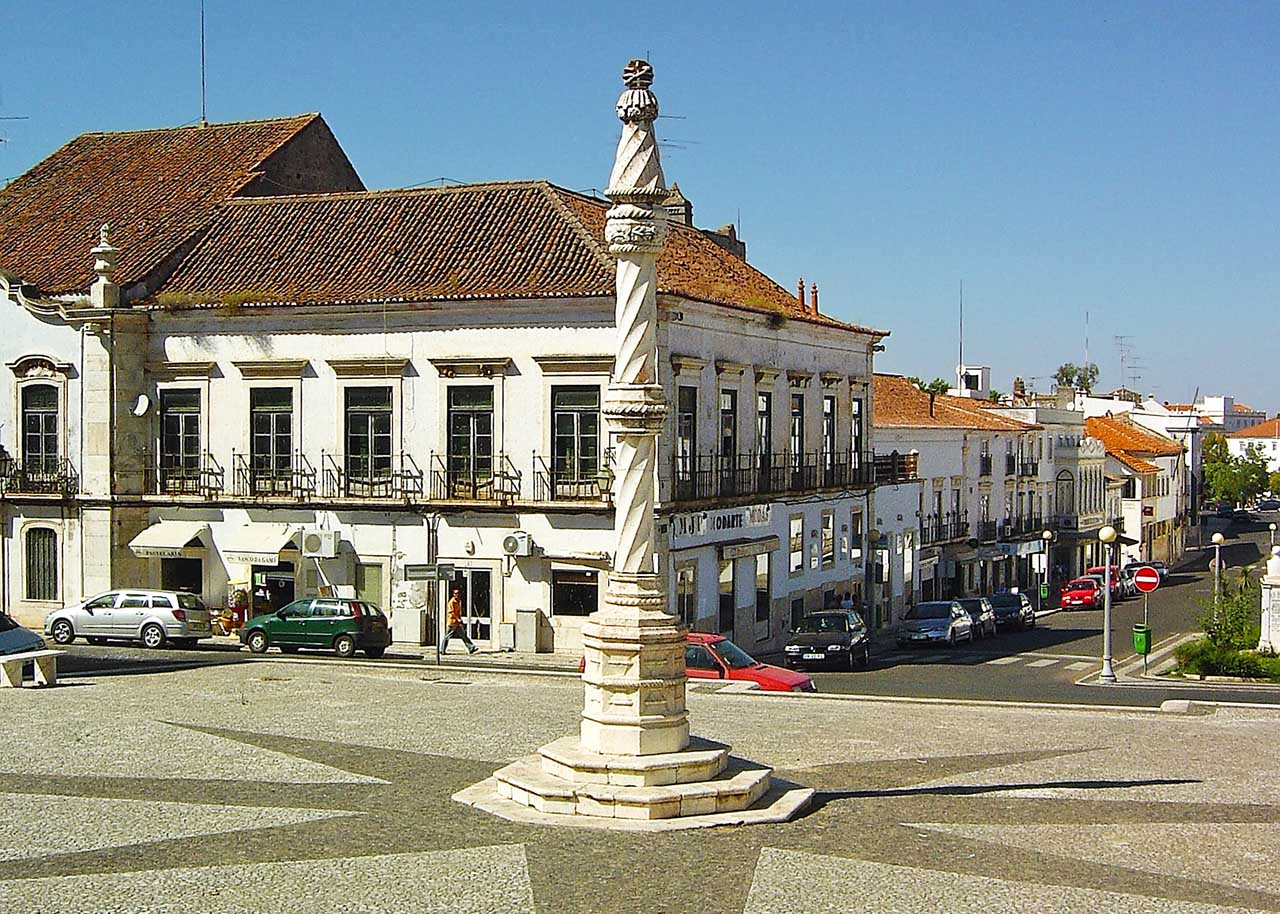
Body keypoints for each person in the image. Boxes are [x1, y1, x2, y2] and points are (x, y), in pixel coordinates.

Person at [441, 587, 477, 654]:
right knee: (447, 636)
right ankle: (442, 649)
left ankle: (471, 647)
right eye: (456, 593)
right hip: (452, 622)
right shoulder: (451, 602)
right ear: (453, 594)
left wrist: (460, 620)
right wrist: (458, 619)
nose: (457, 594)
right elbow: (451, 612)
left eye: (458, 593)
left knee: (463, 635)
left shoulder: (459, 601)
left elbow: (458, 612)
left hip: (457, 623)